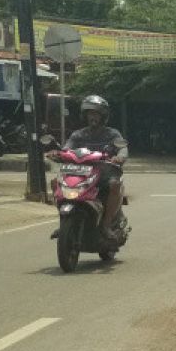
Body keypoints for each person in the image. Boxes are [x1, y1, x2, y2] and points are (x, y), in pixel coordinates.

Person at [49, 95, 128, 243]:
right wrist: (57, 154)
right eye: (90, 113)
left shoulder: (112, 134)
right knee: (55, 183)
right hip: (81, 172)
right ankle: (64, 222)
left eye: (96, 113)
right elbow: (67, 148)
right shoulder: (78, 134)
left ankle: (106, 226)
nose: (93, 116)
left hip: (104, 173)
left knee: (115, 185)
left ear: (103, 116)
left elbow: (123, 149)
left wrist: (119, 157)